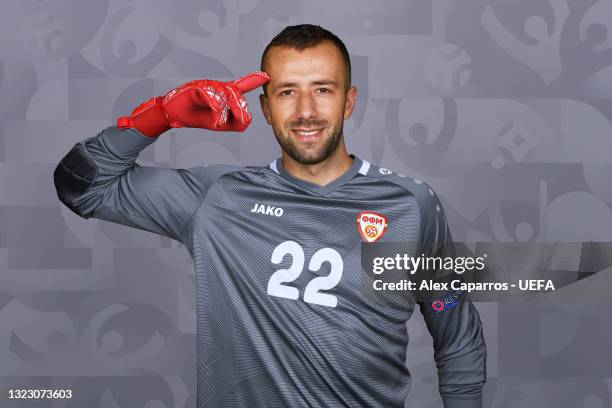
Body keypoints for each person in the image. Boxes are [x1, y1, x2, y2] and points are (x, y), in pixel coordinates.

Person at [54, 24, 486, 408]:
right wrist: (159, 117)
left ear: (349, 101)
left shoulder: (410, 204)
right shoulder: (218, 197)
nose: (305, 112)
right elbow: (82, 187)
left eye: (323, 89)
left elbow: (455, 327)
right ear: (264, 108)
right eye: (287, 92)